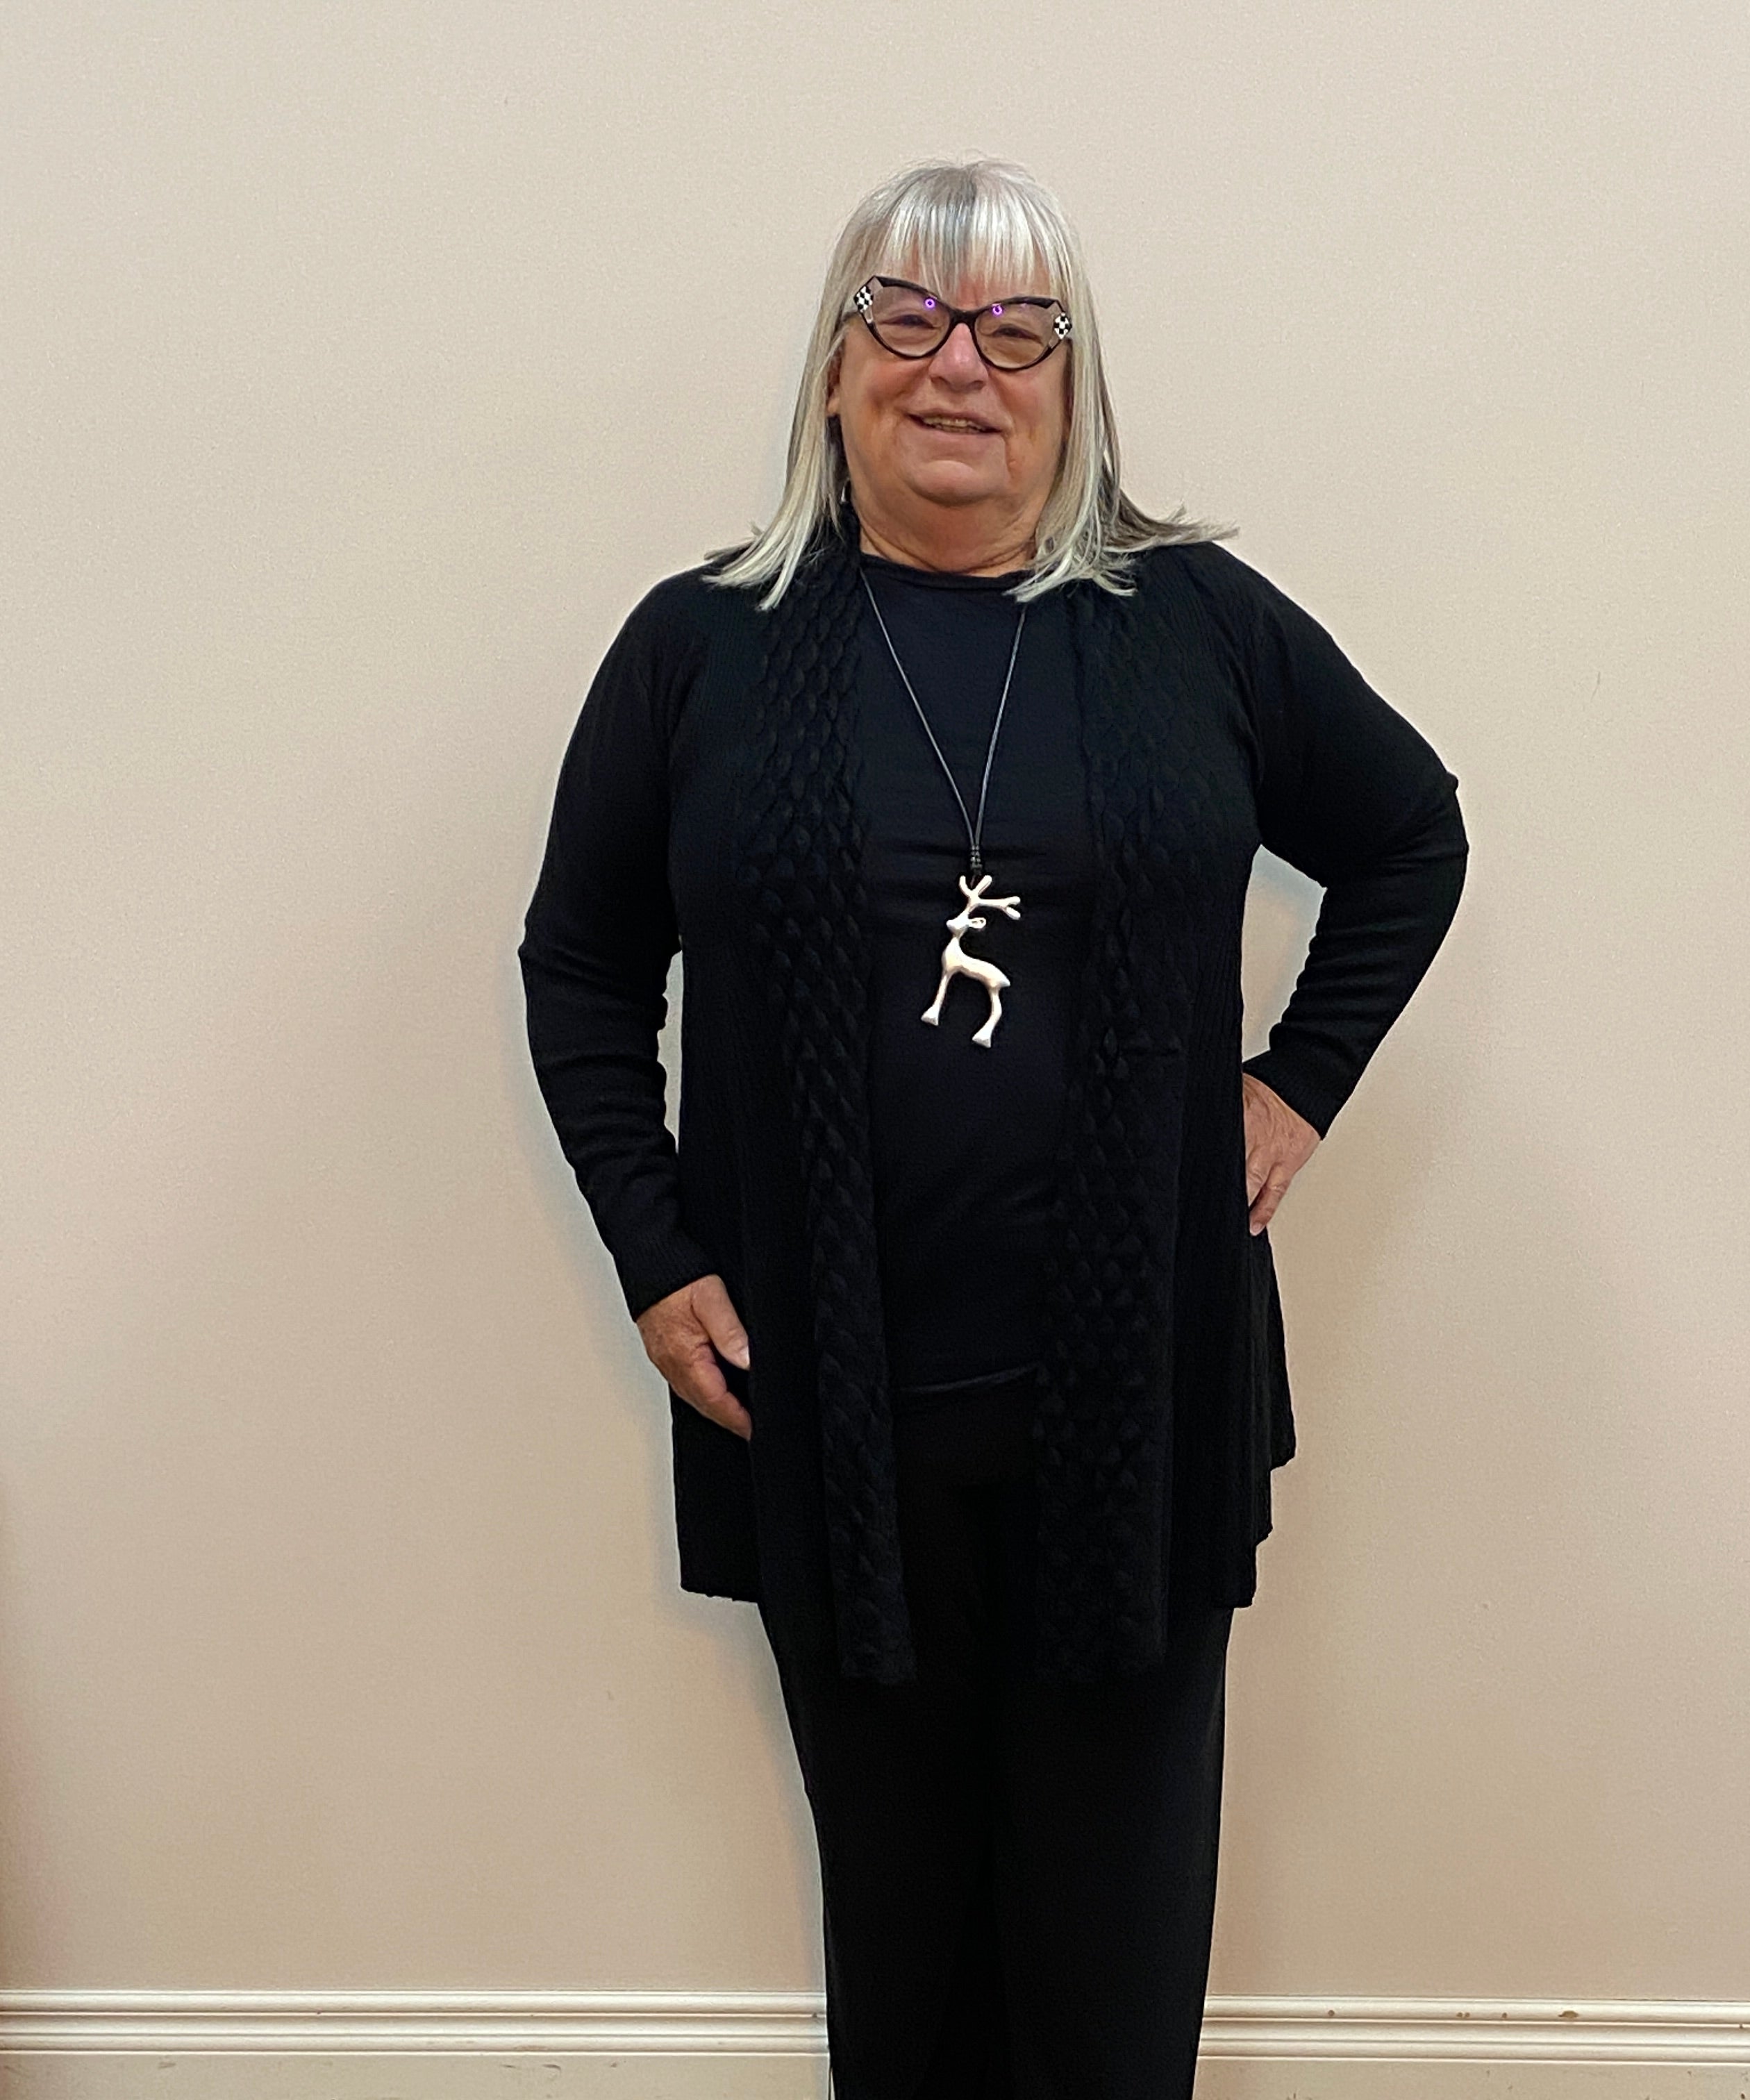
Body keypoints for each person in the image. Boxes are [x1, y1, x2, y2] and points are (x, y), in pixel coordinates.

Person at [519, 156, 1468, 2100]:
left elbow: (1408, 834)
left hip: (1139, 1397)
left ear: (1076, 377)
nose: (963, 366)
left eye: (1017, 328)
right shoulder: (703, 649)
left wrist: (1295, 1085)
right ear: (838, 365)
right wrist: (656, 1246)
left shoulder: (1189, 624)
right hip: (829, 1403)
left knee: (1111, 1958)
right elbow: (582, 965)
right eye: (911, 316)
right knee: (910, 1931)